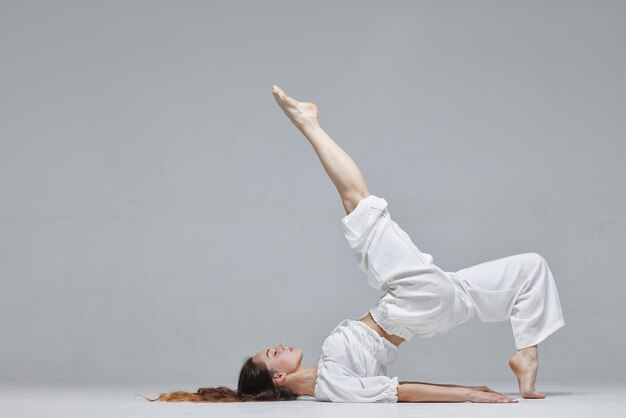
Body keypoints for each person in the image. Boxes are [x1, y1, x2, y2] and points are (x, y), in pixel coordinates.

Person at [142, 85, 565, 404]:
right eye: (274, 353)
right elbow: (399, 392)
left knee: (531, 268)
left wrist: (468, 391)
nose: (281, 345)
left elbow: (391, 387)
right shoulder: (323, 383)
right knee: (358, 205)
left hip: (434, 304)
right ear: (277, 379)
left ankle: (526, 355)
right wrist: (470, 394)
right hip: (411, 304)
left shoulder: (326, 375)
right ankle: (308, 123)